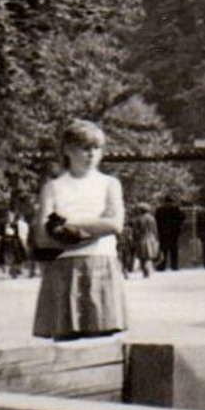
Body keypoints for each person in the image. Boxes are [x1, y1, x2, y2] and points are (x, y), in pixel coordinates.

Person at [32, 119, 128, 341]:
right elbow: (43, 238)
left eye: (97, 148)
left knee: (102, 341)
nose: (91, 154)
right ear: (68, 150)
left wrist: (68, 226)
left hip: (101, 263)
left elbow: (115, 225)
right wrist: (95, 226)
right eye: (84, 148)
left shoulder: (109, 184)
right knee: (65, 343)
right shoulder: (53, 188)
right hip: (64, 268)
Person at [155, 195, 185, 271]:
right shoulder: (176, 209)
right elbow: (182, 219)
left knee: (163, 250)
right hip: (173, 233)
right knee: (173, 250)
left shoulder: (160, 210)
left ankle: (162, 266)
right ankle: (174, 265)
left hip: (163, 233)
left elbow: (157, 221)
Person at [131, 203, 160, 278]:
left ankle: (145, 271)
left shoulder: (138, 219)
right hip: (151, 238)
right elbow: (155, 229)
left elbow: (135, 231)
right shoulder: (152, 218)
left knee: (142, 257)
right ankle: (148, 269)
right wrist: (156, 238)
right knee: (149, 256)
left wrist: (134, 239)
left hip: (141, 238)